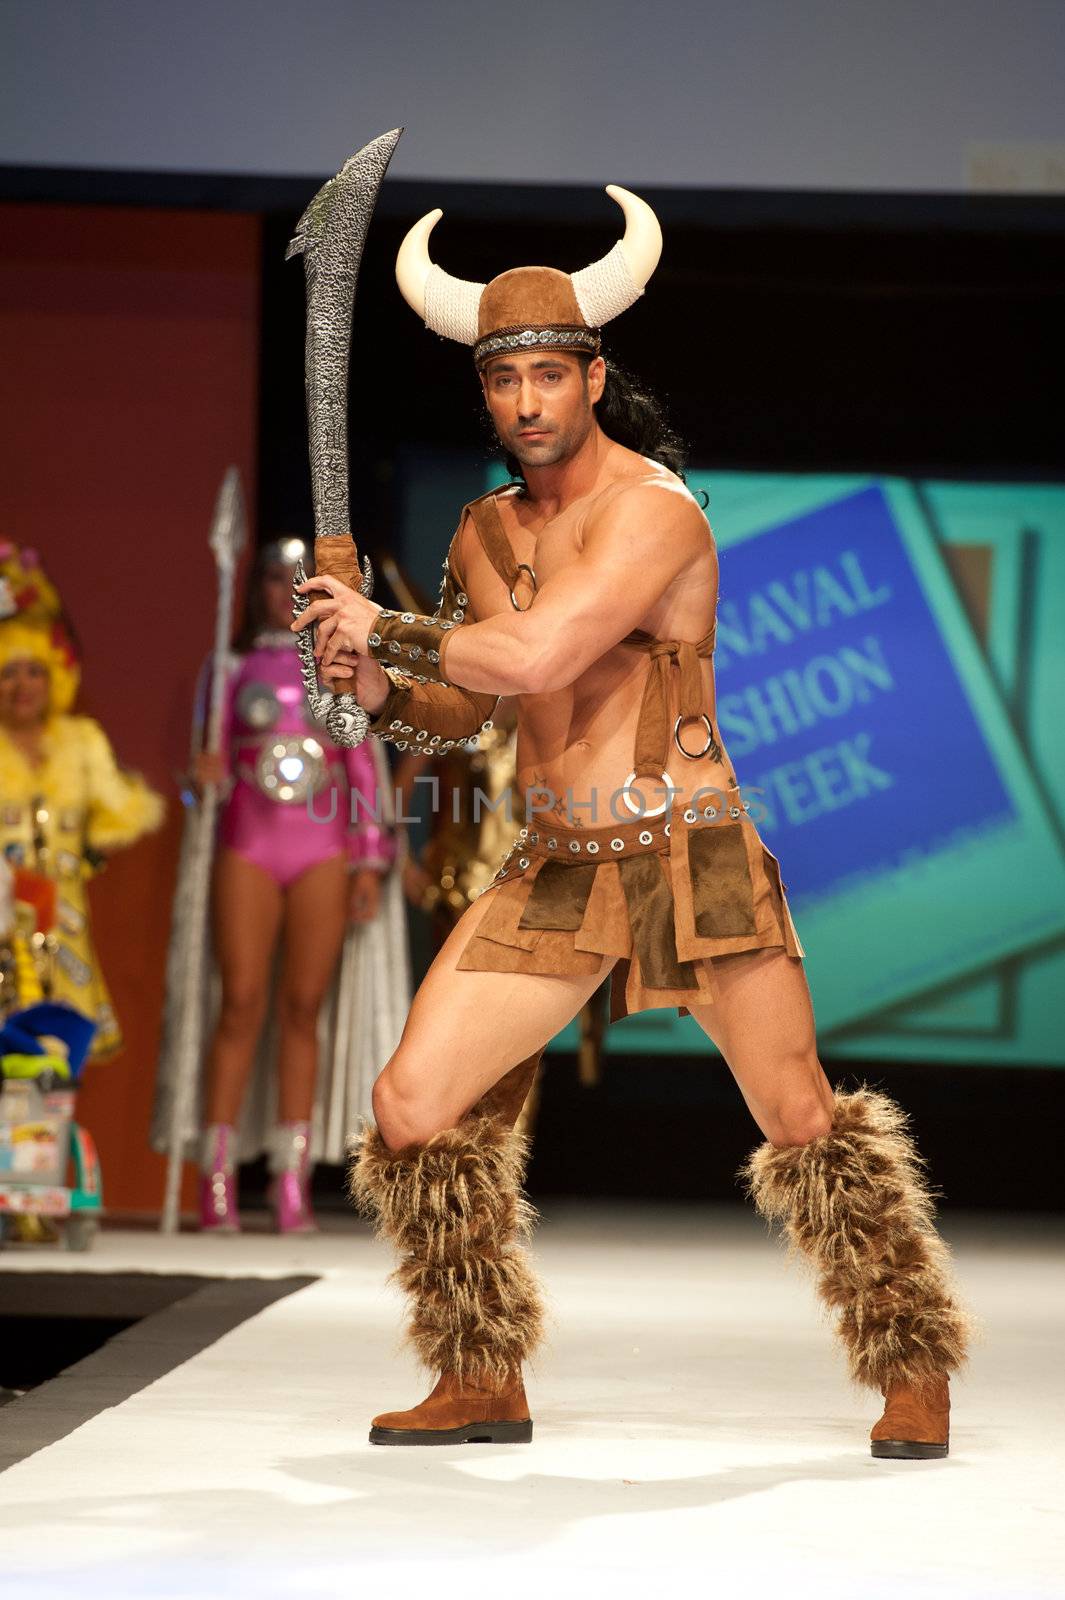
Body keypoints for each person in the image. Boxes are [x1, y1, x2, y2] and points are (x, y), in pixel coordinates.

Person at [293, 189, 972, 1455]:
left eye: (553, 374)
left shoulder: (658, 509)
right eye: (509, 383)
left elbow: (548, 648)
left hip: (686, 848)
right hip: (555, 860)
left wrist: (381, 623)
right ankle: (481, 1371)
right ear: (485, 395)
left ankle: (914, 1364)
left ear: (594, 377)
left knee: (799, 1117)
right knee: (411, 1106)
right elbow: (467, 704)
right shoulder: (483, 529)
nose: (532, 402)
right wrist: (377, 682)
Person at [151, 539, 405, 1234]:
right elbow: (201, 771)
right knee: (240, 1002)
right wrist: (198, 781)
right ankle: (217, 1177)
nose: (283, 591)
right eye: (272, 578)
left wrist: (368, 856)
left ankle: (290, 1181)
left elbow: (358, 763)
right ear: (256, 587)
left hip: (320, 847)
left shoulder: (336, 663)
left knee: (303, 1008)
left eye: (297, 581)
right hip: (248, 843)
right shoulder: (229, 665)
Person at [0, 542, 164, 1057]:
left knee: (59, 1080)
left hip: (66, 943)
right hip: (4, 943)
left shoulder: (81, 744)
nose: (22, 685)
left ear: (55, 676)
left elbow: (120, 816)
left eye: (34, 671)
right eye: (8, 671)